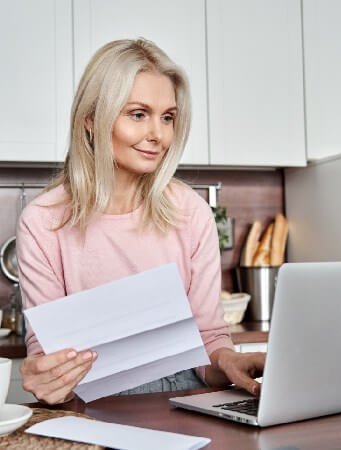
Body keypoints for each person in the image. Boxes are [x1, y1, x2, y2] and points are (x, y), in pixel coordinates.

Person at [16, 38, 265, 405]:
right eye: (138, 114)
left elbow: (209, 340)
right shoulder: (43, 222)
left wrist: (228, 361)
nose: (158, 135)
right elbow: (46, 352)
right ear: (91, 119)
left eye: (167, 117)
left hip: (183, 401)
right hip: (91, 408)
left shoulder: (191, 212)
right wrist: (49, 376)